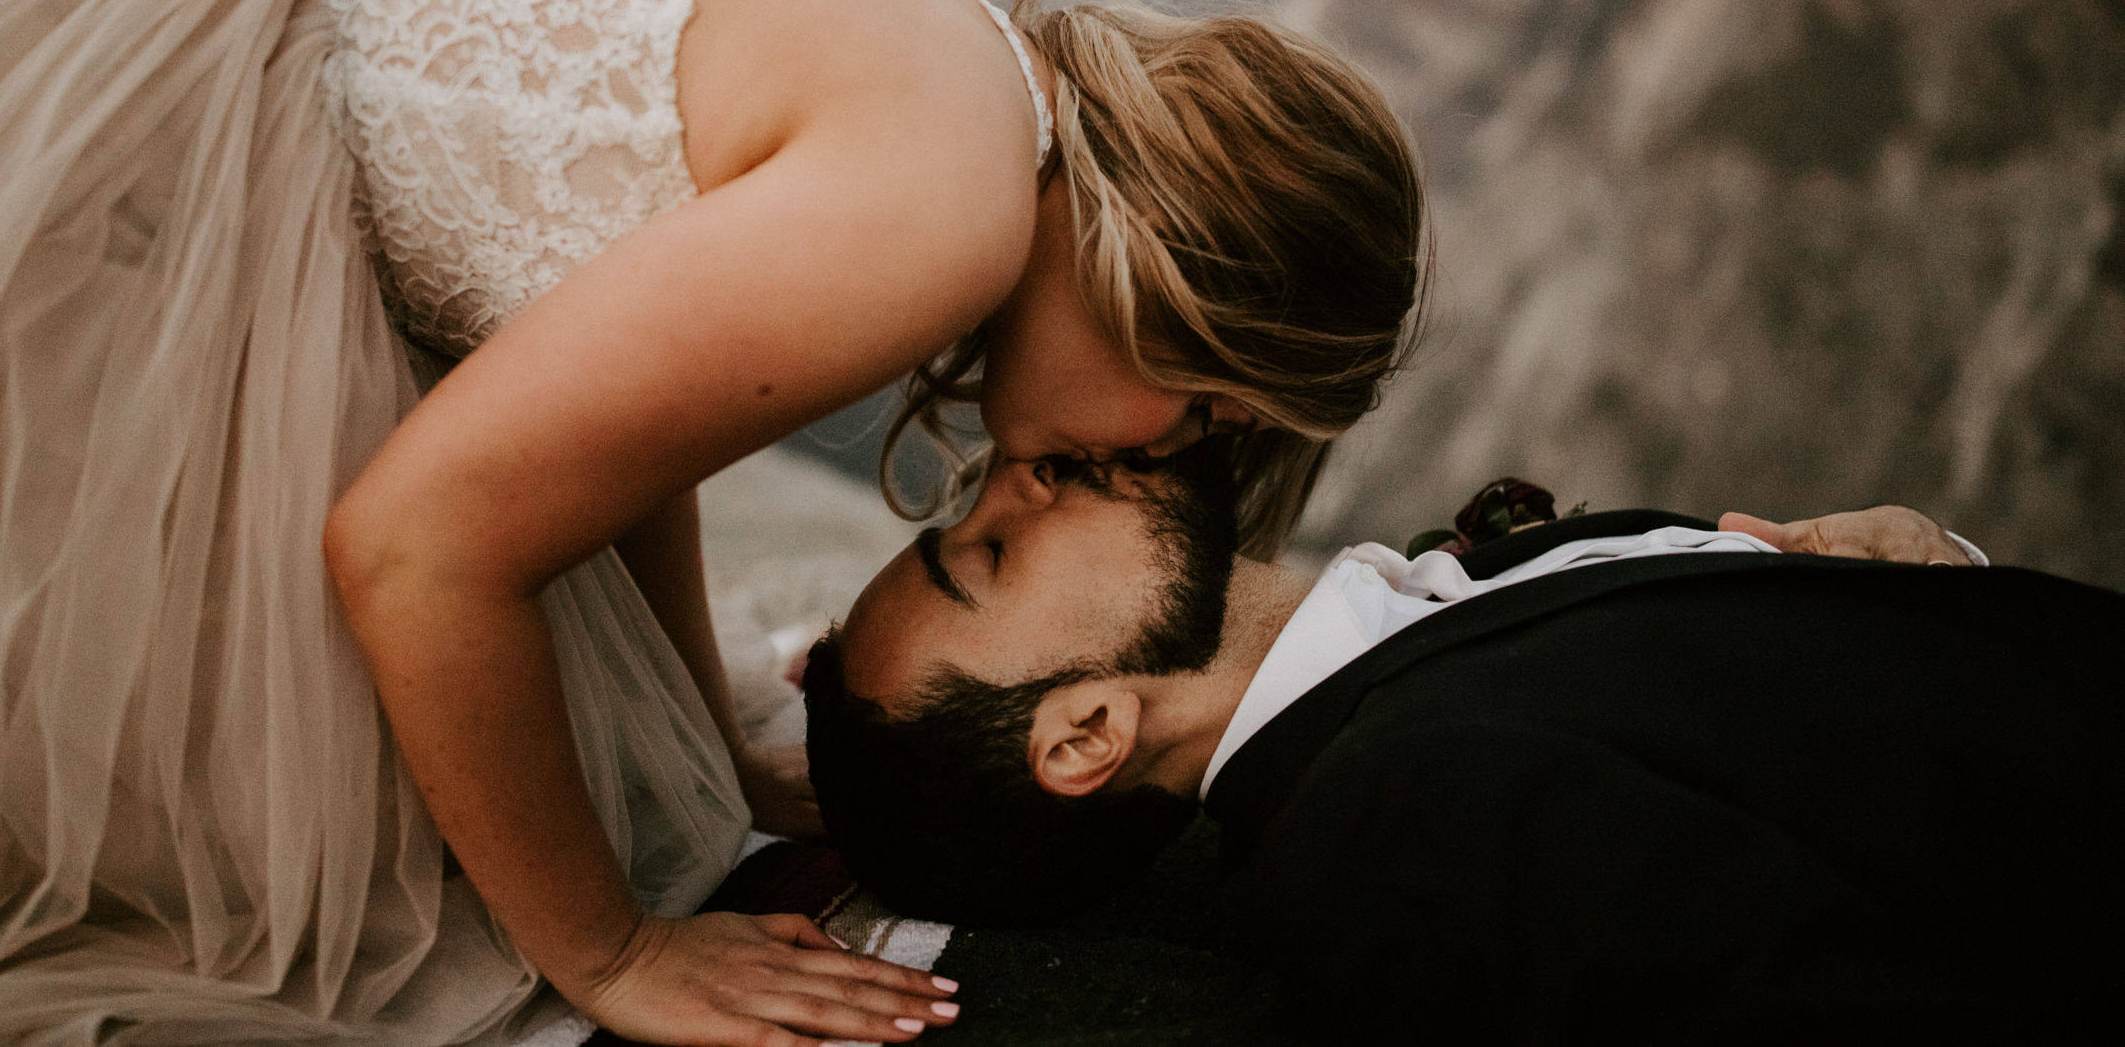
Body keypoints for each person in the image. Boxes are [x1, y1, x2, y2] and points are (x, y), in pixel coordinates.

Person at [0, 0, 1422, 1045]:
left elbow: (626, 429)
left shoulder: (969, 81)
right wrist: (612, 954)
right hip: (179, 153)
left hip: (185, 2)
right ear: (1181, 293)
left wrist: (703, 735)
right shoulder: (941, 207)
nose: (1157, 461)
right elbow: (414, 546)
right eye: (1209, 414)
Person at [805, 449, 2125, 1042]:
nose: (1019, 476)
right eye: (987, 552)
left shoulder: (1427, 630)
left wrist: (1935, 576)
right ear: (1087, 733)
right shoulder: (1398, 821)